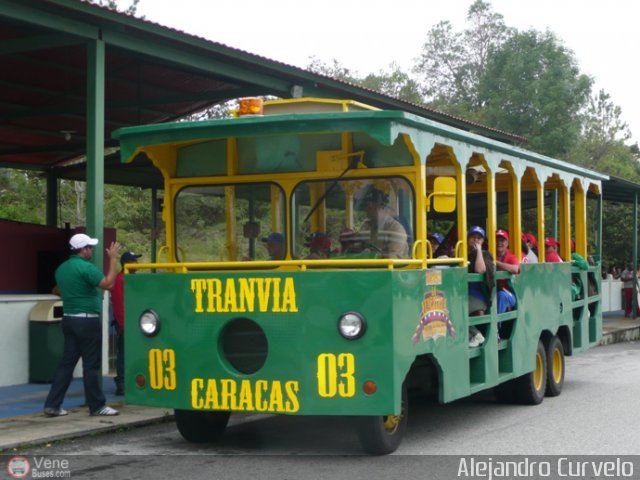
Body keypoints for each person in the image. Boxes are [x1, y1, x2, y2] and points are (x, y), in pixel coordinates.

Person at [44, 233, 121, 417]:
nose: (91, 251)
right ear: (83, 249)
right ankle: (97, 406)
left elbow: (57, 290)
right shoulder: (86, 267)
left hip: (69, 319)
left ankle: (53, 405)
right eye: (90, 248)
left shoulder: (62, 269)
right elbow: (108, 283)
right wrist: (112, 259)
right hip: (87, 321)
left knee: (67, 364)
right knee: (91, 365)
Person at [110, 251, 142, 395]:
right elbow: (119, 305)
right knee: (123, 354)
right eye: (134, 261)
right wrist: (123, 325)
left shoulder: (130, 279)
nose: (137, 264)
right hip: (126, 325)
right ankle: (121, 383)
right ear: (127, 263)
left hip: (133, 323)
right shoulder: (121, 280)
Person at [355, 186, 408, 259]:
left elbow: (394, 259)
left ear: (381, 206)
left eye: (369, 206)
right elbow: (358, 248)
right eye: (364, 206)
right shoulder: (366, 226)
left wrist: (372, 255)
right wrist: (349, 244)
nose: (366, 209)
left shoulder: (396, 229)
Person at [467, 226, 494, 347]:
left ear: (483, 241)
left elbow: (480, 269)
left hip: (478, 298)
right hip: (465, 295)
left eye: (479, 238)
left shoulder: (485, 254)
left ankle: (476, 334)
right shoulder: (464, 254)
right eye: (473, 237)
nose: (475, 240)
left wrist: (478, 250)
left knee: (454, 310)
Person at [495, 229, 519, 315]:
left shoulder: (511, 257)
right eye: (497, 240)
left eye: (502, 240)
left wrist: (497, 263)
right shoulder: (491, 255)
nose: (499, 243)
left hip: (510, 293)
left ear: (507, 243)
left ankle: (498, 326)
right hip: (493, 291)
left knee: (502, 296)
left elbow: (516, 269)